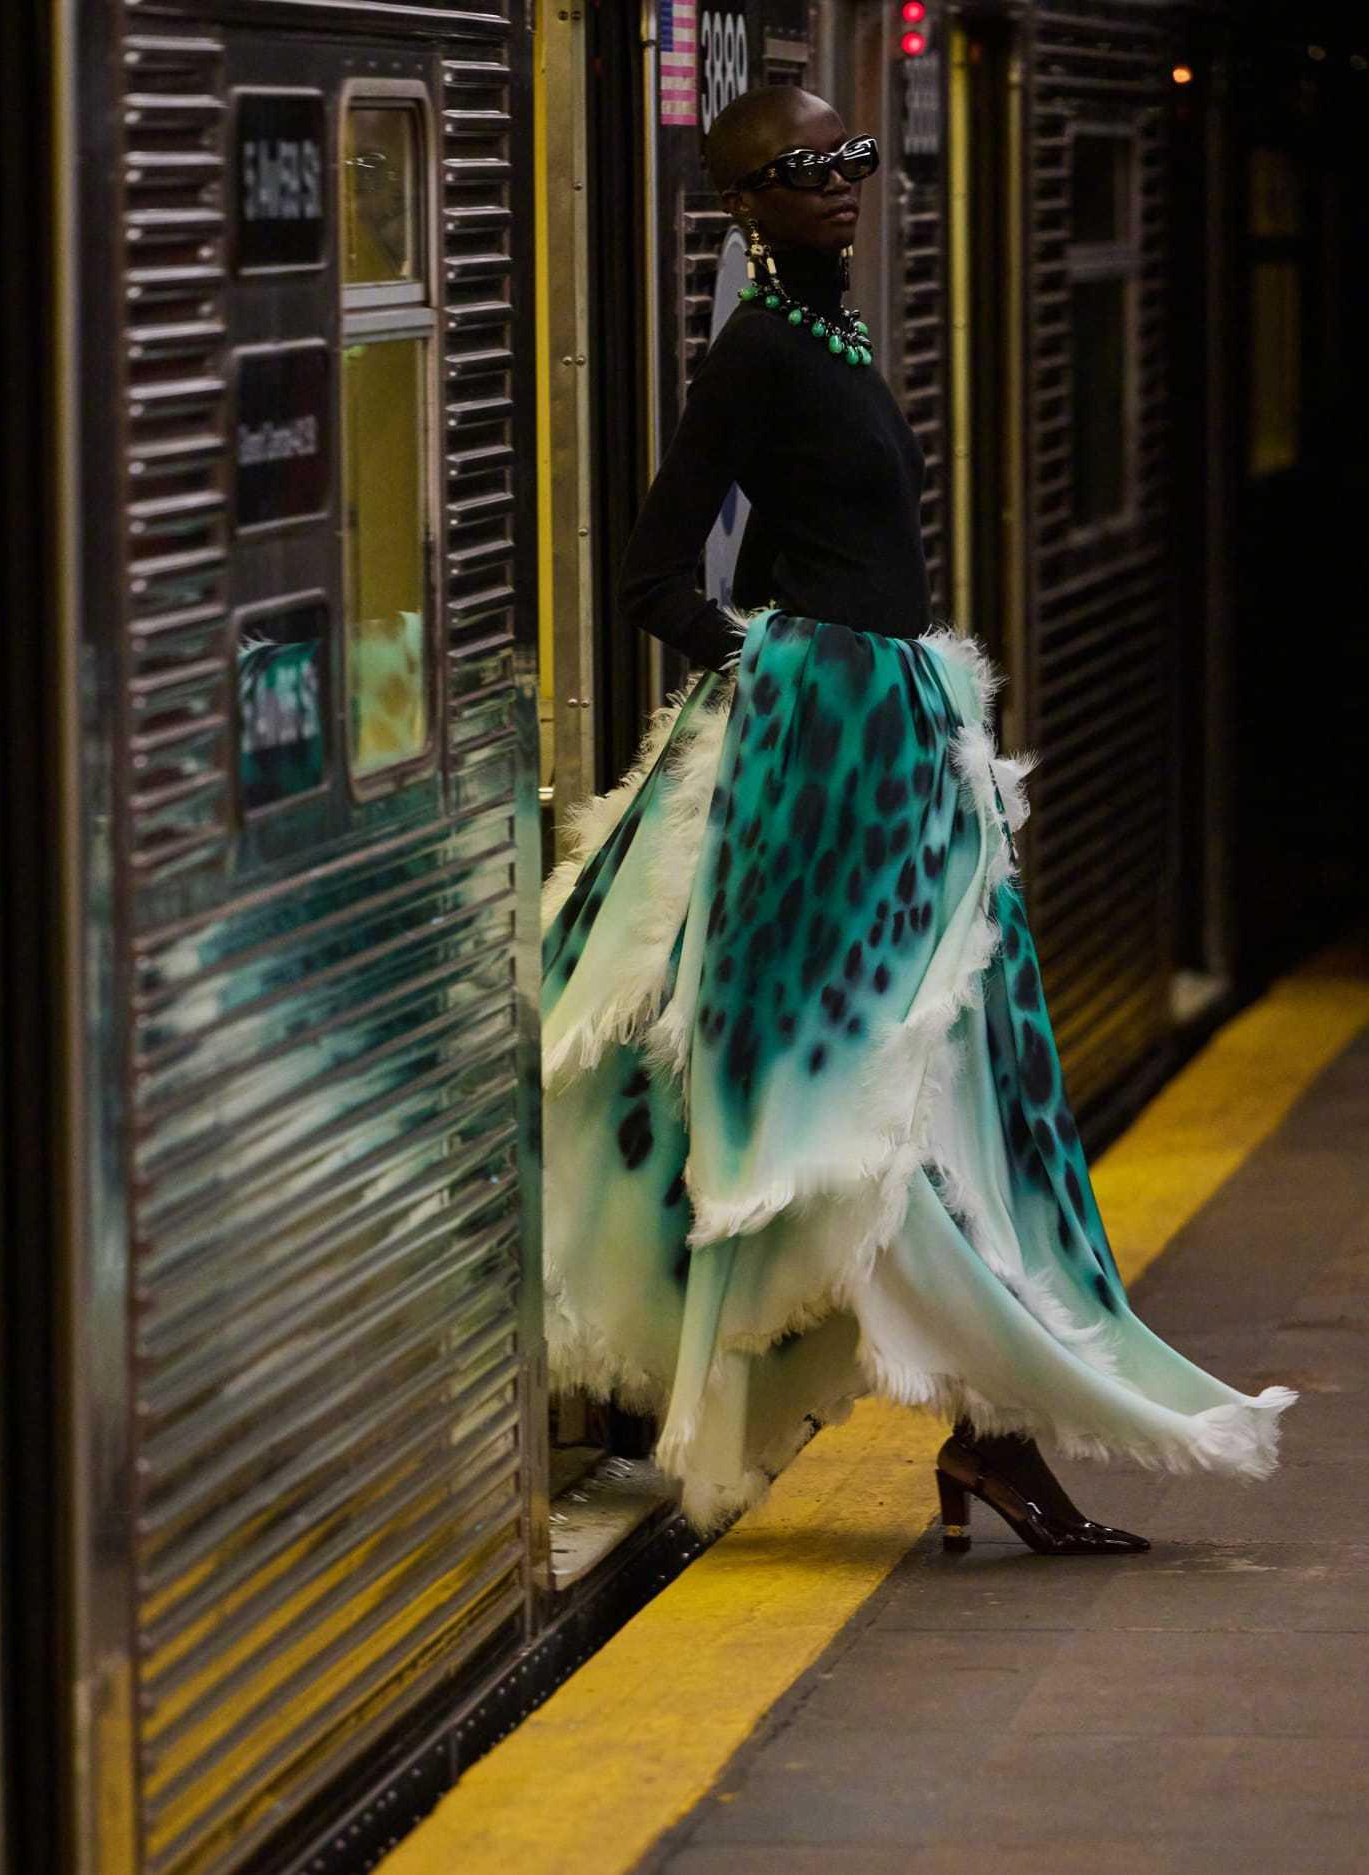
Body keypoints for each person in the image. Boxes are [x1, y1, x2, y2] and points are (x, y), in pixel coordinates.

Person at [538, 86, 1293, 1553]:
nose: (841, 181)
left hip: (898, 759)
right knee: (891, 1085)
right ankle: (988, 1441)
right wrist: (784, 671)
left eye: (854, 157)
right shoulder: (759, 353)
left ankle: (996, 1442)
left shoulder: (832, 335)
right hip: (833, 781)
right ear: (745, 205)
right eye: (803, 166)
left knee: (949, 1076)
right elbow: (651, 575)